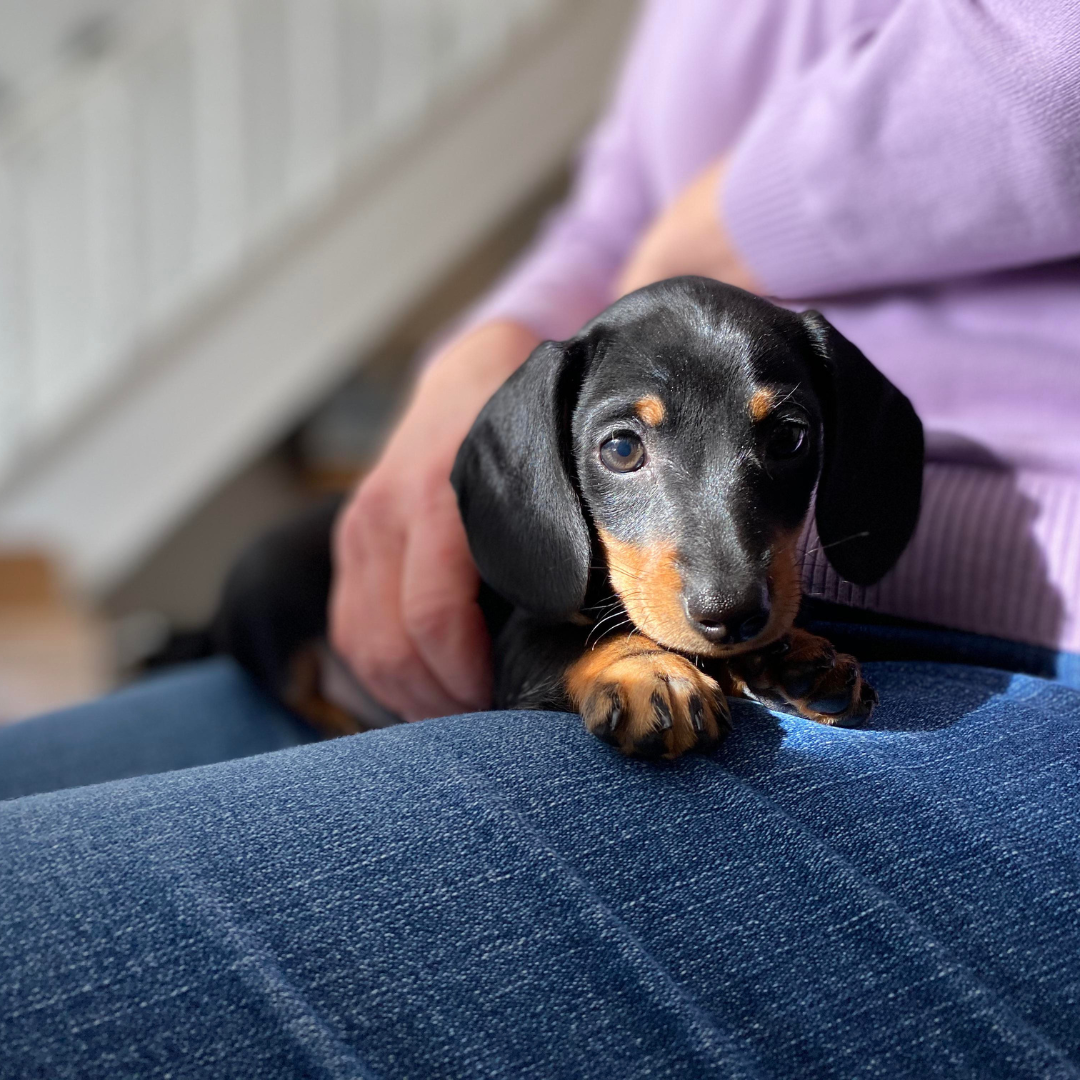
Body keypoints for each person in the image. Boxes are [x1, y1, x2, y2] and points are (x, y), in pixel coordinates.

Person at [2, 1, 1079, 1076]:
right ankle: (256, 674)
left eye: (782, 440)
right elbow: (620, 207)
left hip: (1019, 670)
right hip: (413, 665)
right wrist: (497, 349)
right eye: (626, 453)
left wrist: (742, 212)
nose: (720, 575)